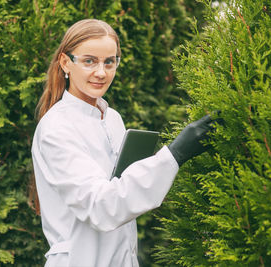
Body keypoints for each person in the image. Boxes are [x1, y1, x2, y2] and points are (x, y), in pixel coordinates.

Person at [31, 18, 217, 267]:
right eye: (89, 61)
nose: (101, 72)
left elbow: (124, 197)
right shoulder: (56, 128)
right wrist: (175, 154)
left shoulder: (112, 119)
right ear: (66, 62)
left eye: (109, 62)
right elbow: (100, 206)